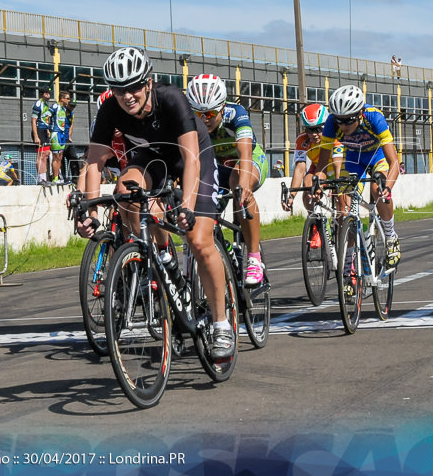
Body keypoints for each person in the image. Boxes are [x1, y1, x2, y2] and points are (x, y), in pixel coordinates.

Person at [77, 47, 235, 360]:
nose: (127, 95)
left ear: (148, 82)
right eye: (119, 89)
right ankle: (160, 255)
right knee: (125, 190)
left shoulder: (171, 98)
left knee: (199, 241)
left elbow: (190, 158)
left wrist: (187, 206)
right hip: (151, 159)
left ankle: (221, 323)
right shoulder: (111, 108)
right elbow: (95, 162)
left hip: (192, 158)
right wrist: (90, 210)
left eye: (134, 86)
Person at [314, 85, 402, 294]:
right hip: (354, 159)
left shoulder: (374, 117)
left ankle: (390, 237)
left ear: (360, 113)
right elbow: (323, 166)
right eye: (339, 120)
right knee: (344, 208)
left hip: (377, 157)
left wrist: (387, 187)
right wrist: (317, 182)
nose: (342, 126)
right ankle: (348, 271)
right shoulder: (331, 123)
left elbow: (394, 163)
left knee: (376, 188)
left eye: (348, 120)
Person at [186, 74, 269, 286]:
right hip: (215, 165)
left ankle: (254, 258)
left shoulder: (236, 113)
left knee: (238, 183)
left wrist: (243, 184)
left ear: (222, 107)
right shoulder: (186, 118)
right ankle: (225, 249)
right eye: (199, 114)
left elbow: (245, 153)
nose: (204, 119)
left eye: (211, 113)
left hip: (247, 160)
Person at [283, 103, 339, 215]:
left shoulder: (335, 135)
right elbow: (300, 169)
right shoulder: (302, 140)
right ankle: (316, 220)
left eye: (318, 129)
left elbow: (338, 164)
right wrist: (291, 195)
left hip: (338, 166)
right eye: (309, 130)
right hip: (318, 167)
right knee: (308, 186)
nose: (314, 134)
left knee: (341, 203)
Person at [49, 90, 75, 184]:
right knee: (56, 156)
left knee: (60, 156)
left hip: (62, 134)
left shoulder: (64, 109)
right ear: (62, 99)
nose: (69, 100)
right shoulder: (55, 106)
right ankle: (55, 178)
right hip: (55, 133)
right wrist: (48, 129)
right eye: (67, 98)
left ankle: (59, 178)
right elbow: (46, 115)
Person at [31, 88, 52, 184]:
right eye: (48, 93)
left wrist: (47, 129)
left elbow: (45, 119)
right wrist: (36, 136)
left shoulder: (46, 105)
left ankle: (45, 177)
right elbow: (34, 120)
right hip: (39, 131)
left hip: (44, 130)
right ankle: (41, 179)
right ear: (44, 94)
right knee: (41, 155)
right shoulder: (38, 104)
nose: (49, 95)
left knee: (46, 154)